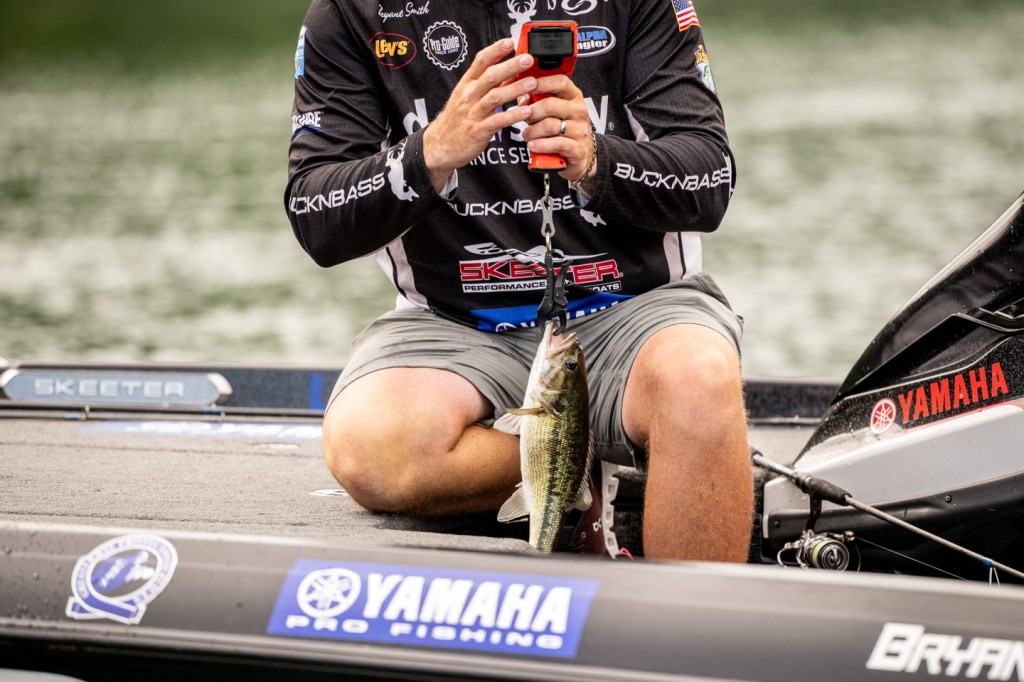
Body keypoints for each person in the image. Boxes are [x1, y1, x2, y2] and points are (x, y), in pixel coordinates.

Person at [286, 0, 752, 561]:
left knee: (700, 381)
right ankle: (581, 472)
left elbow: (711, 178)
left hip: (636, 309)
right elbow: (314, 216)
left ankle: (685, 601)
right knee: (369, 448)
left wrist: (596, 160)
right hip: (452, 322)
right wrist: (430, 153)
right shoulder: (349, 11)